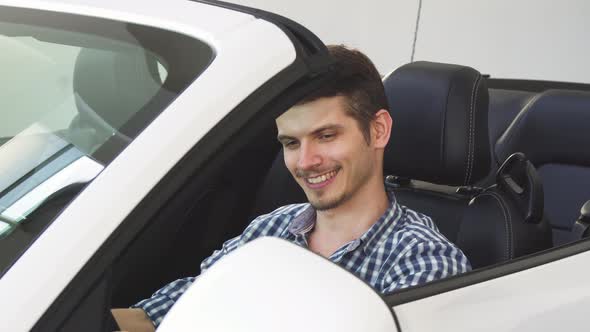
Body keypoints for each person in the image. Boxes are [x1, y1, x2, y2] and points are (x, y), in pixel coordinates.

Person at [112, 45, 471, 331]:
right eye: (291, 143)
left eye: (326, 136)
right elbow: (166, 312)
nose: (305, 162)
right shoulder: (270, 229)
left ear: (378, 131)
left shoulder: (424, 262)